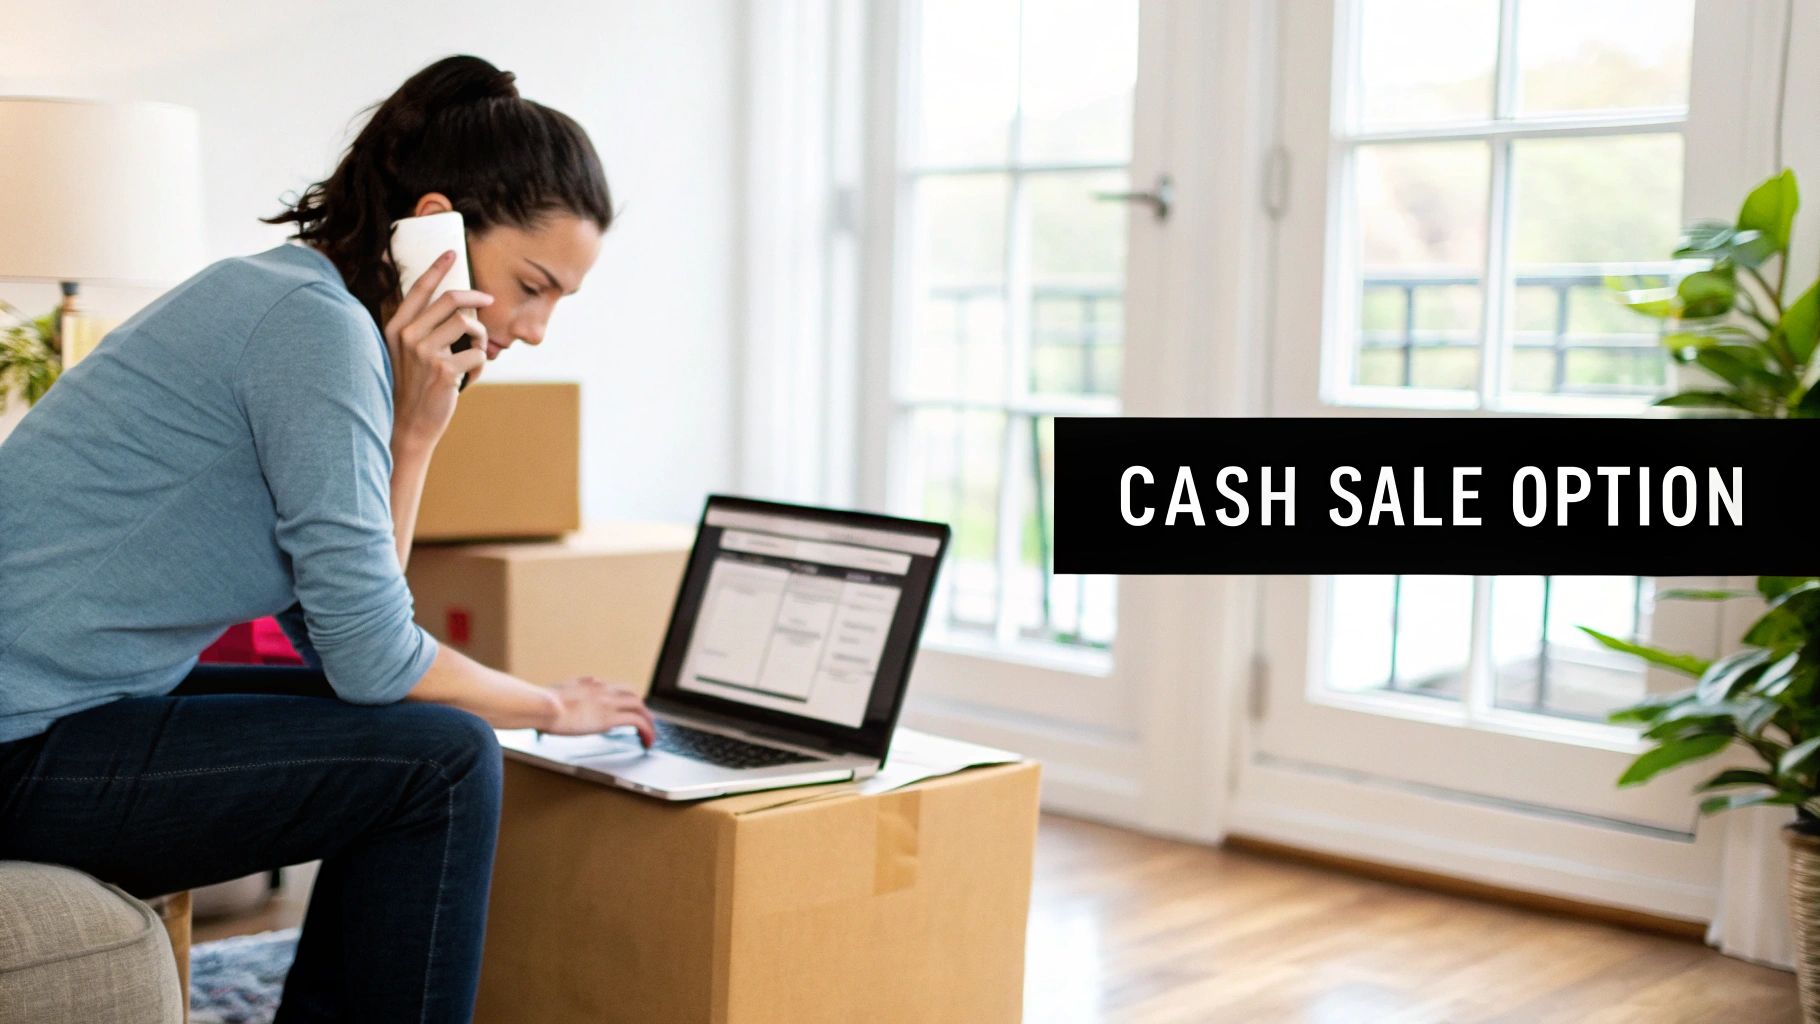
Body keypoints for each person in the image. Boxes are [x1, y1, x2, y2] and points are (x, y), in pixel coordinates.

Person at [0, 55, 651, 1023]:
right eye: (531, 284)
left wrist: (417, 434)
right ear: (436, 224)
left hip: (65, 711)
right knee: (444, 760)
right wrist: (548, 704)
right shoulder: (313, 331)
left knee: (422, 736)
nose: (537, 326)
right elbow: (375, 657)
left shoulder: (302, 306)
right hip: (23, 746)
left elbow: (343, 640)